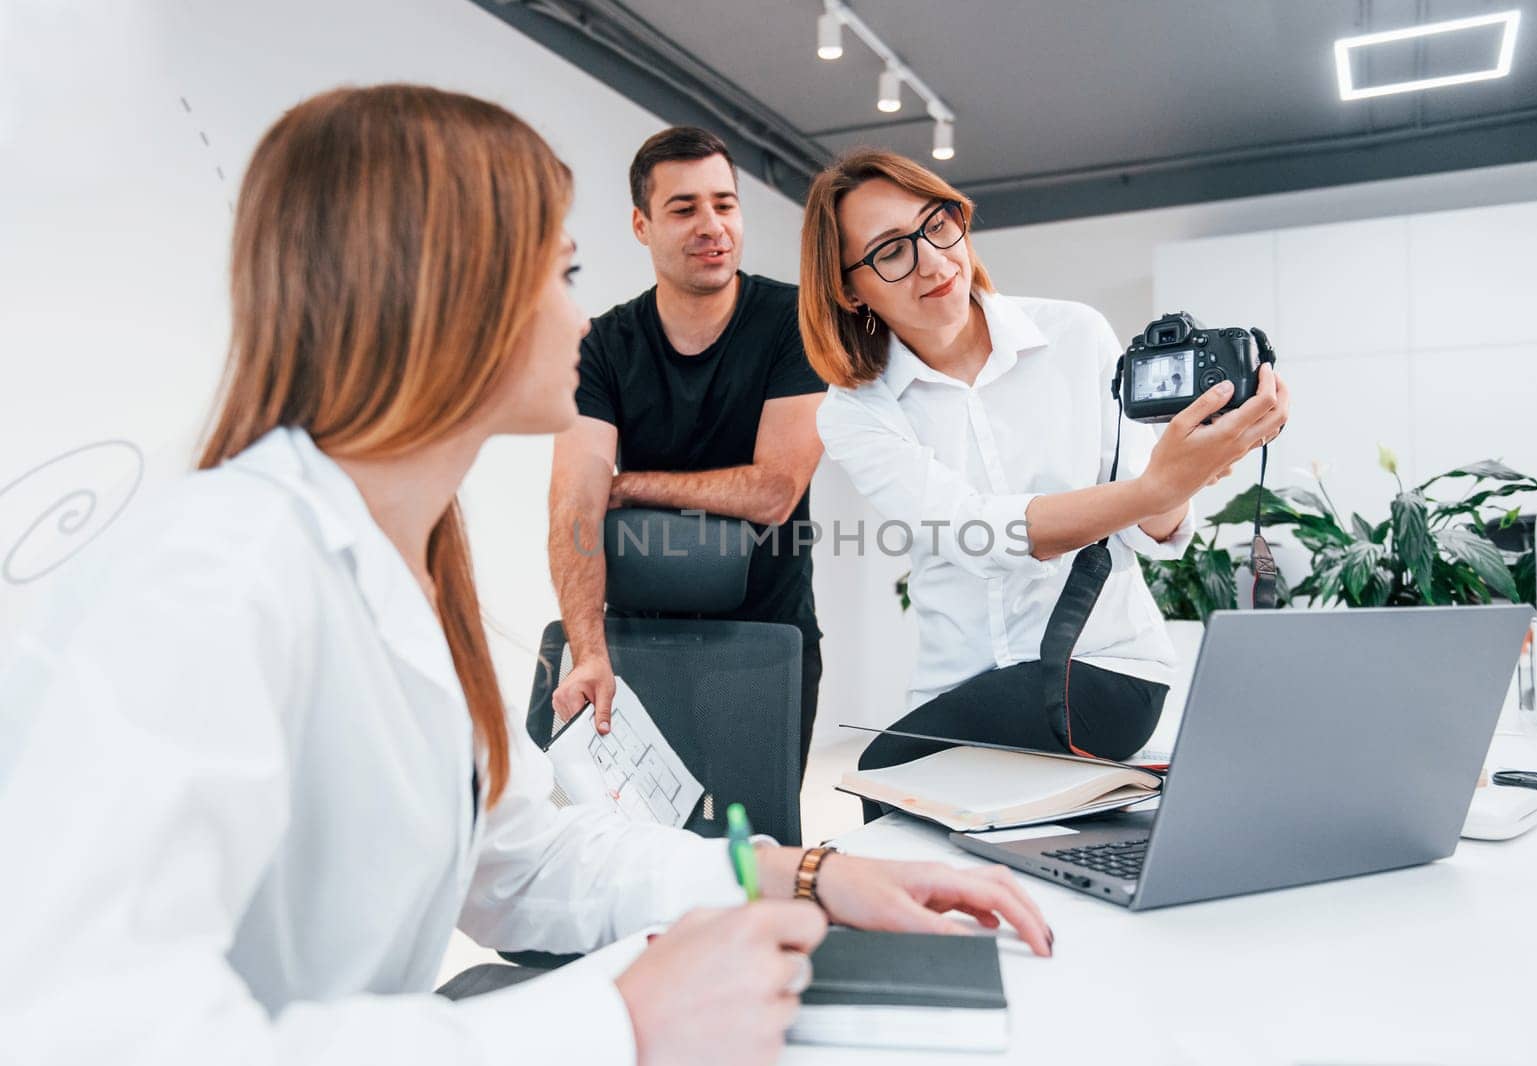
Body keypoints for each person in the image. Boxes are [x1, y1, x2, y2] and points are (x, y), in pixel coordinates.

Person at [0, 89, 1052, 1066]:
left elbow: (528, 864)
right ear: (446, 292)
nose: (583, 321)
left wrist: (804, 874)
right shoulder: (207, 581)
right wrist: (617, 1021)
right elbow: (88, 1030)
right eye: (564, 275)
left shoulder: (404, 578)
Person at [796, 149, 1290, 810]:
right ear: (849, 287)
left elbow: (1152, 532)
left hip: (1107, 670)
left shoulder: (1076, 335)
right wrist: (1159, 485)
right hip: (958, 688)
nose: (934, 260)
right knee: (906, 803)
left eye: (936, 225)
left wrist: (1184, 475)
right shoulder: (856, 410)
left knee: (885, 774)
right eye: (891, 251)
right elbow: (973, 528)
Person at [548, 127, 828, 772]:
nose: (712, 225)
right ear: (642, 225)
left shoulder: (795, 322)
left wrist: (629, 484)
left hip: (767, 638)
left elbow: (775, 492)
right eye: (684, 209)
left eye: (724, 205)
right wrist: (589, 651)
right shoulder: (601, 344)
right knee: (632, 842)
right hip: (634, 639)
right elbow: (573, 506)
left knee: (755, 838)